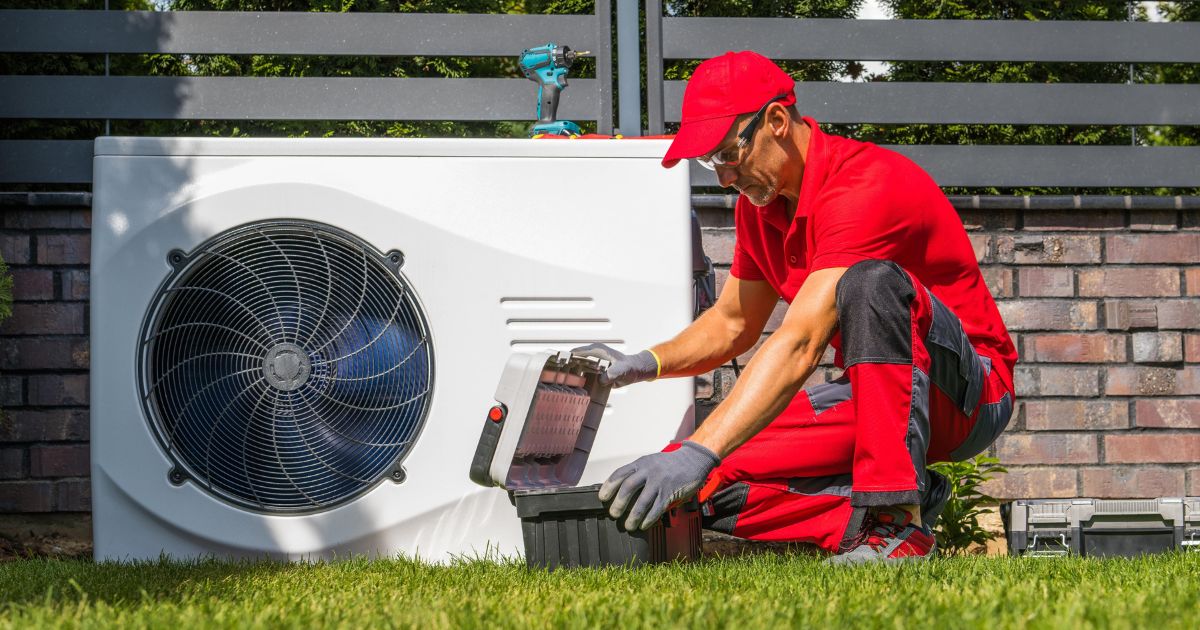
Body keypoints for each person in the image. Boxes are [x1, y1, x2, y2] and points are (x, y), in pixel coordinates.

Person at [573, 50, 1017, 564]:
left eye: (727, 154)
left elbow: (801, 340)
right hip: (877, 399)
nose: (722, 177)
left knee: (870, 283)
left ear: (777, 121)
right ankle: (891, 506)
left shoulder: (864, 185)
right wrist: (643, 364)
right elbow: (731, 323)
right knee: (700, 485)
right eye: (708, 162)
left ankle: (897, 524)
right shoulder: (759, 209)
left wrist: (701, 447)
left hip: (969, 394)